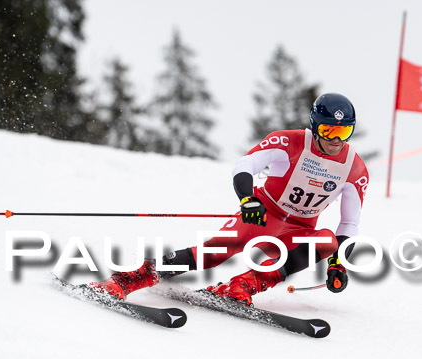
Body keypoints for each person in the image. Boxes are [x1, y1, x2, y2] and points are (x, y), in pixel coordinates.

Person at [89, 93, 369, 306]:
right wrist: (248, 199)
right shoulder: (290, 143)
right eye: (328, 130)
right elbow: (245, 166)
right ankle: (131, 278)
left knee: (326, 241)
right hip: (263, 215)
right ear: (314, 127)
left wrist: (338, 263)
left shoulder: (354, 168)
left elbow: (349, 223)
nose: (336, 139)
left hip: (299, 229)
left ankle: (244, 285)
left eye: (344, 132)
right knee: (214, 253)